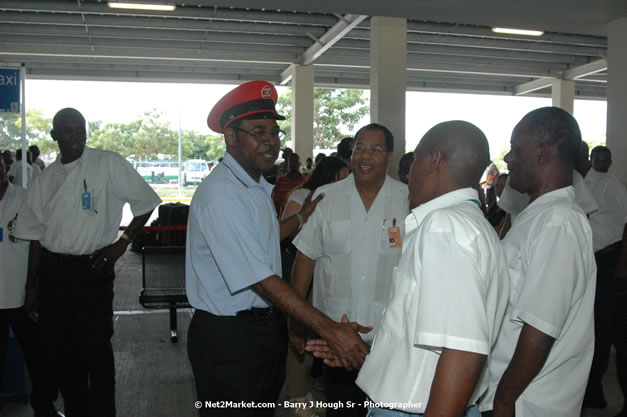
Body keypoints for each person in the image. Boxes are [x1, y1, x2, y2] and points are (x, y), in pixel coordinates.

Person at [185, 80, 372, 417]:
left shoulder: (254, 184)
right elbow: (260, 278)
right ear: (230, 136)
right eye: (259, 132)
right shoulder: (222, 194)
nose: (271, 142)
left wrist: (301, 217)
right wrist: (329, 329)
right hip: (229, 339)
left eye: (274, 132)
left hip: (259, 329)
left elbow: (265, 237)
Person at [307, 121, 510, 417]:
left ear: (435, 159)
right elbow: (425, 348)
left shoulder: (445, 227)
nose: (410, 170)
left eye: (415, 159)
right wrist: (366, 355)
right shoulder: (472, 225)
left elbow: (464, 351)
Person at [14, 107, 162, 417]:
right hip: (54, 275)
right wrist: (31, 289)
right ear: (55, 135)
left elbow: (146, 203)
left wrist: (122, 244)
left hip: (93, 270)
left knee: (97, 353)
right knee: (65, 354)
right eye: (68, 130)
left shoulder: (106, 163)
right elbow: (35, 239)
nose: (76, 135)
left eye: (80, 128)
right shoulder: (46, 179)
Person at [480, 107, 596, 417]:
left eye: (516, 150)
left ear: (542, 153)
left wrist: (503, 401)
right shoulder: (538, 216)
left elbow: (539, 329)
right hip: (510, 393)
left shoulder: (559, 222)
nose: (508, 159)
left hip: (528, 402)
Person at [290, 123, 409, 417]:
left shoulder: (408, 200)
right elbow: (306, 259)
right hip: (337, 340)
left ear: (390, 156)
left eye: (376, 149)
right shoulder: (326, 198)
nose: (365, 156)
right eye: (359, 148)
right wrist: (296, 319)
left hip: (391, 339)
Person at [281, 156, 349, 417]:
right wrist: (306, 217)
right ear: (328, 177)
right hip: (301, 270)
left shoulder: (344, 200)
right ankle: (297, 396)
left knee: (317, 335)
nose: (345, 183)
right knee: (301, 333)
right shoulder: (304, 194)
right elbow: (286, 231)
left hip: (326, 273)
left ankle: (305, 393)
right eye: (341, 178)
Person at [0, 157, 61, 417]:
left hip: (23, 294)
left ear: (5, 168)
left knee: (40, 357)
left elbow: (38, 242)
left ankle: (44, 407)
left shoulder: (25, 198)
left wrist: (33, 286)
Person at [581, 145, 627, 415]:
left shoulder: (608, 185)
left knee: (618, 334)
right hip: (593, 263)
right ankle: (594, 394)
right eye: (598, 160)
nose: (603, 163)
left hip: (611, 260)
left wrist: (622, 266)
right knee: (595, 332)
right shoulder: (577, 184)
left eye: (606, 160)